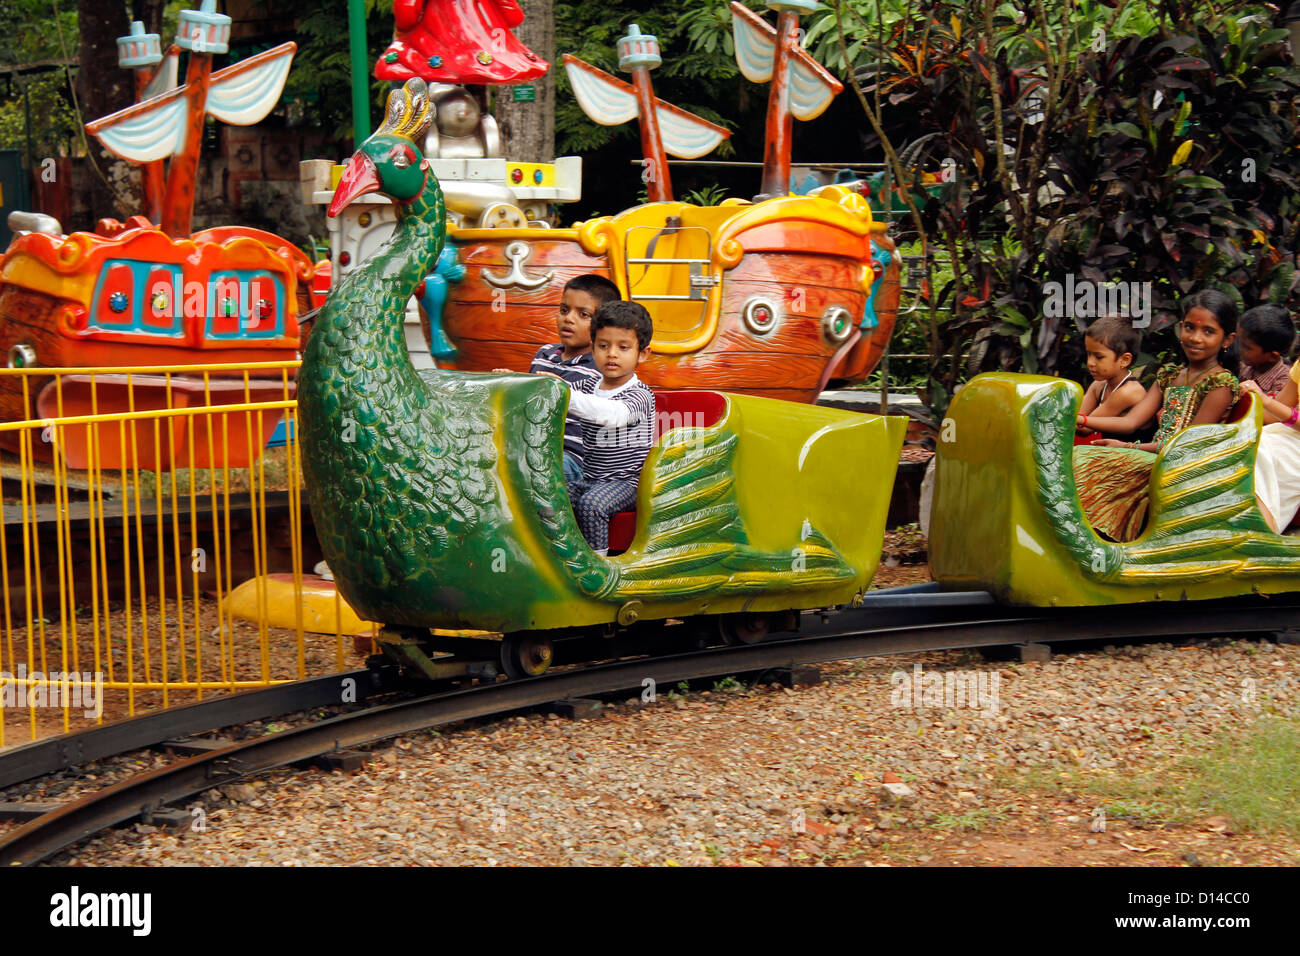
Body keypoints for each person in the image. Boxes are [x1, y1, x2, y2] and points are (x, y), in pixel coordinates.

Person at [1071, 291, 1240, 541]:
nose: (1195, 338)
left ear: (1227, 340)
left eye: (1208, 331)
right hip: (1154, 454)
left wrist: (1128, 447)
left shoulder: (1221, 383)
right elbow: (1131, 422)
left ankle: (1092, 541)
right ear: (1180, 328)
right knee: (1078, 456)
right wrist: (1087, 423)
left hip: (1181, 464)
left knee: (1083, 462)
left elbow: (1185, 446)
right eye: (1190, 328)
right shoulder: (1170, 375)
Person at [494, 274, 621, 482]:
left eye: (583, 314)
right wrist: (512, 384)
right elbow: (529, 406)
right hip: (532, 443)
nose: (569, 318)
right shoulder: (545, 354)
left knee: (525, 463)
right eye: (564, 310)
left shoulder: (601, 368)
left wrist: (556, 390)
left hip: (573, 459)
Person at [562, 301, 656, 555]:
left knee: (592, 504)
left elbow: (611, 415)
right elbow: (553, 394)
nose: (612, 354)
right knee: (551, 494)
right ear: (593, 348)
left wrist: (563, 393)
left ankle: (598, 564)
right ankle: (563, 555)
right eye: (604, 346)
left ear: (642, 354)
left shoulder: (639, 395)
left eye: (623, 347)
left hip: (628, 482)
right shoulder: (585, 387)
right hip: (591, 478)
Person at [1243, 356, 1300, 532]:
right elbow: (1277, 412)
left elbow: (1276, 408)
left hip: (1292, 443)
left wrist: (1266, 400)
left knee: (1258, 450)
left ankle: (1263, 536)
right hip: (1289, 436)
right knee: (1241, 441)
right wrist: (1248, 400)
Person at [1076, 316, 1145, 440]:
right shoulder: (1099, 385)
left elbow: (1084, 428)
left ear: (1124, 360)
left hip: (1133, 455)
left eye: (1099, 357)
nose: (1090, 362)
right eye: (1089, 354)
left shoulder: (1129, 391)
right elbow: (1079, 417)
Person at [1236, 303, 1294, 397]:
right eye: (1239, 341)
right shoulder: (1246, 366)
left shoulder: (1284, 383)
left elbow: (1271, 410)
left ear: (1272, 356)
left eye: (1246, 347)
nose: (1239, 348)